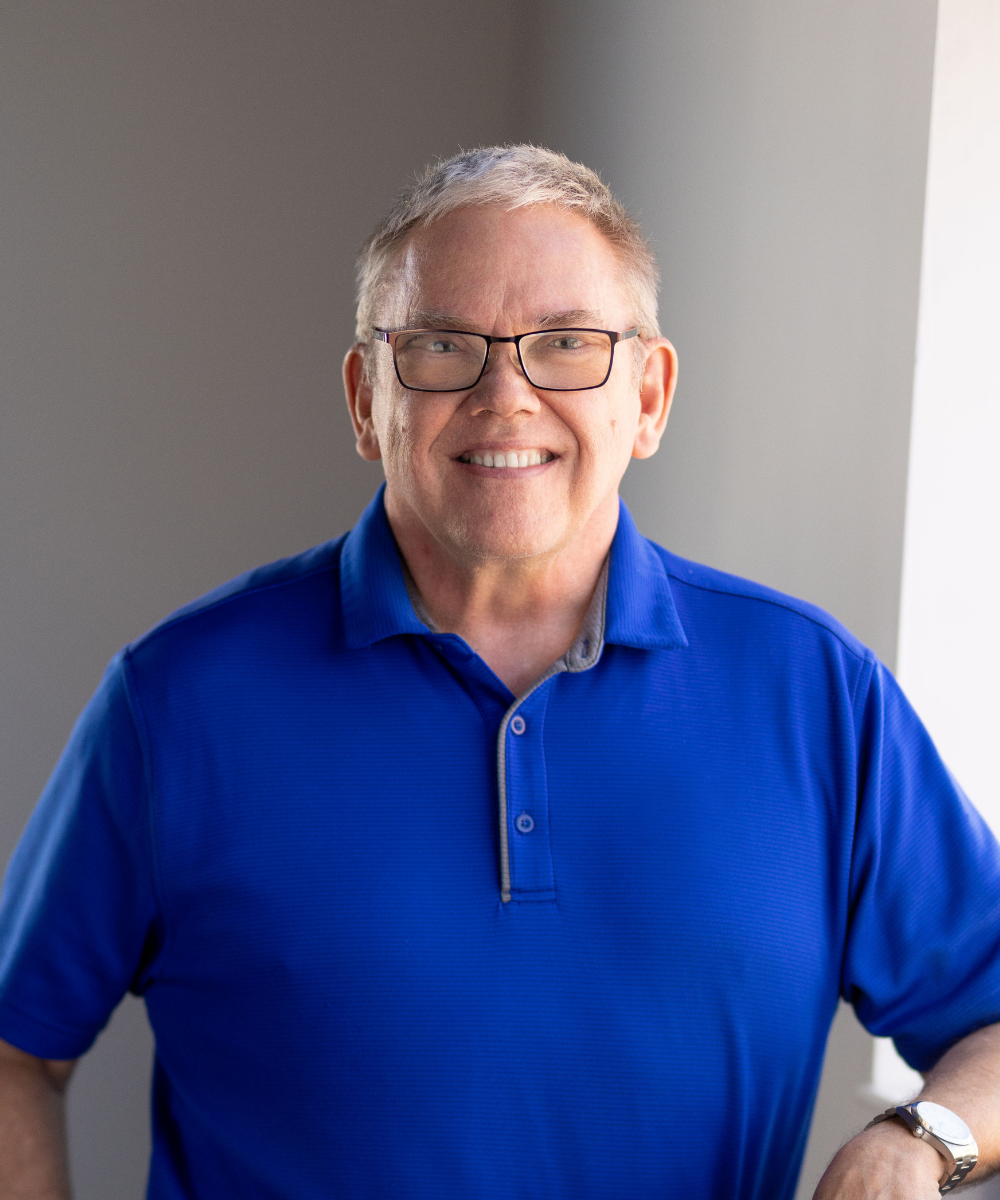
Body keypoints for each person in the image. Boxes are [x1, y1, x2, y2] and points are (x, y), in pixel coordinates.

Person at [0, 145, 998, 1200]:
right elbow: (17, 1044)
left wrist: (918, 1138)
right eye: (442, 346)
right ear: (364, 397)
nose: (505, 395)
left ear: (648, 396)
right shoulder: (178, 701)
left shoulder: (817, 696)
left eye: (566, 344)